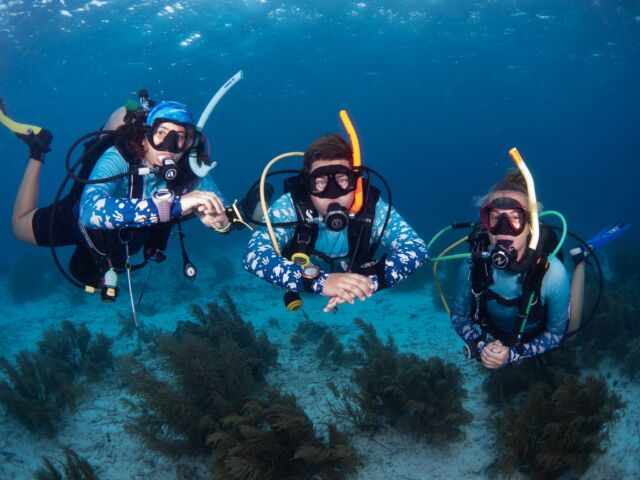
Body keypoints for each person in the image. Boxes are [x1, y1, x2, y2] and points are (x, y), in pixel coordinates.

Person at [5, 97, 230, 298]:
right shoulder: (120, 156)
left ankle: (38, 146)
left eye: (179, 137)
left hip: (119, 220)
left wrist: (219, 221)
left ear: (189, 143)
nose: (169, 148)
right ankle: (42, 150)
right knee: (20, 225)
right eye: (161, 134)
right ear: (147, 134)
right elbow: (90, 211)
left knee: (19, 229)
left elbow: (226, 214)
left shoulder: (189, 168)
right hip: (89, 200)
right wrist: (175, 206)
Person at [243, 133, 428, 312]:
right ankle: (258, 205)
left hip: (340, 267)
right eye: (320, 182)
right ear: (307, 185)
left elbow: (416, 248)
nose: (334, 194)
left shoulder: (372, 208)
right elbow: (254, 255)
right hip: (297, 261)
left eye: (342, 180)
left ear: (355, 182)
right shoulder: (291, 205)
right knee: (257, 226)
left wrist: (368, 282)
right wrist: (320, 282)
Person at [450, 169, 571, 368]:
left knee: (572, 331)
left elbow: (555, 334)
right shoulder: (473, 263)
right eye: (496, 218)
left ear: (531, 225)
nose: (503, 230)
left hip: (533, 334)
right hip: (494, 332)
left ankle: (581, 259)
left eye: (516, 218)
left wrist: (514, 354)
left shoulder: (554, 273)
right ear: (486, 223)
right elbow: (458, 315)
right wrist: (481, 346)